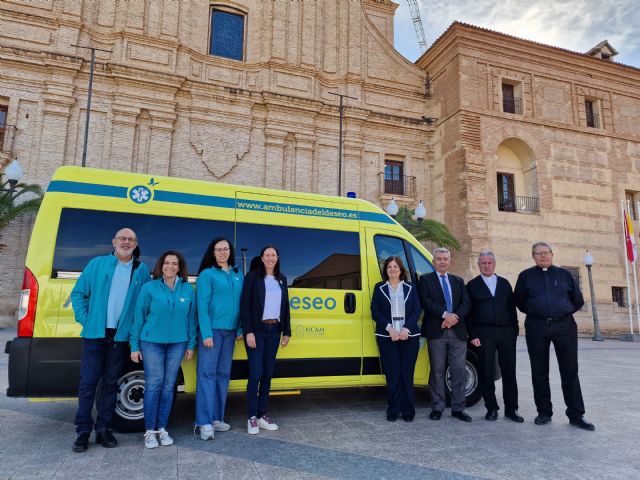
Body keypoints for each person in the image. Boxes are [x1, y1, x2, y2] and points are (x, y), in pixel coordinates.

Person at [70, 228, 150, 452]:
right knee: (88, 384)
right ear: (114, 241)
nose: (126, 242)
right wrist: (87, 320)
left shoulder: (141, 270)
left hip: (120, 337)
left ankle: (104, 428)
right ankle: (83, 431)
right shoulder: (97, 264)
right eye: (122, 238)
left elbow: (141, 306)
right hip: (95, 334)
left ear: (135, 244)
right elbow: (78, 294)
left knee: (110, 383)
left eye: (131, 239)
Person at [514, 242, 594, 431]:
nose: (543, 256)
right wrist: (537, 312)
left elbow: (578, 299)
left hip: (564, 325)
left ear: (552, 254)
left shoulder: (564, 275)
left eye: (546, 253)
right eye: (538, 253)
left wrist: (562, 312)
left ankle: (576, 414)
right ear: (533, 256)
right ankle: (544, 412)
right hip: (536, 326)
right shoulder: (525, 276)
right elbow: (519, 301)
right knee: (539, 371)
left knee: (570, 370)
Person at [130, 250, 197, 448]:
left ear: (180, 267)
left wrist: (191, 344)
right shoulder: (149, 288)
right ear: (161, 266)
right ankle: (150, 431)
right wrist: (135, 345)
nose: (170, 267)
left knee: (169, 386)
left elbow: (191, 320)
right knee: (154, 384)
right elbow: (138, 318)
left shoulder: (187, 290)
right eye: (166, 263)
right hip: (151, 342)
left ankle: (162, 429)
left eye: (174, 263)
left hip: (178, 343)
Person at [195, 237, 244, 440]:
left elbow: (243, 304)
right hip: (213, 332)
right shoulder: (207, 274)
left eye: (225, 249)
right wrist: (206, 333)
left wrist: (240, 328)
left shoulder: (238, 275)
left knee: (223, 375)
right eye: (218, 249)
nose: (222, 252)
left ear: (230, 252)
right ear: (213, 253)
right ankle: (203, 422)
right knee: (207, 374)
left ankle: (217, 418)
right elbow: (202, 306)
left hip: (231, 332)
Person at [466, 251, 523, 423]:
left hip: (506, 332)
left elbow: (512, 309)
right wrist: (473, 335)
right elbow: (468, 314)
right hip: (484, 334)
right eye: (483, 263)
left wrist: (514, 330)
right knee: (485, 371)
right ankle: (491, 408)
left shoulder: (504, 284)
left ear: (494, 264)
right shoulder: (472, 285)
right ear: (478, 265)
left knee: (509, 371)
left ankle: (511, 409)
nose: (486, 265)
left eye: (489, 262)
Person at [240, 245, 291, 434]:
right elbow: (245, 306)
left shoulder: (282, 279)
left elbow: (285, 308)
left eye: (273, 255)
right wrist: (248, 331)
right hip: (257, 331)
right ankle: (251, 417)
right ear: (262, 258)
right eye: (267, 255)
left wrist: (286, 331)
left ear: (277, 258)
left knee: (267, 374)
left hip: (274, 331)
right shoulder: (253, 277)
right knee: (255, 374)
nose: (270, 258)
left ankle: (262, 415)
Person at [418, 247, 472, 422]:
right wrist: (444, 315)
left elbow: (466, 302)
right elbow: (426, 301)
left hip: (457, 332)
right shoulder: (425, 280)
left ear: (449, 261)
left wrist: (453, 318)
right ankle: (437, 407)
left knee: (458, 371)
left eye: (445, 258)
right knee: (437, 371)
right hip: (436, 331)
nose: (442, 261)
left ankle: (458, 408)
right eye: (439, 258)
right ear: (434, 262)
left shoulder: (458, 280)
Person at [371, 256, 422, 422]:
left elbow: (416, 310)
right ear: (386, 271)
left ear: (401, 270)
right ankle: (393, 410)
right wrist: (390, 329)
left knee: (406, 374)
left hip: (409, 336)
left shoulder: (410, 287)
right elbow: (375, 312)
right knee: (392, 375)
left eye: (395, 267)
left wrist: (406, 328)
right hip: (387, 336)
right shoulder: (379, 288)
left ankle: (408, 411)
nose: (392, 269)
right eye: (389, 267)